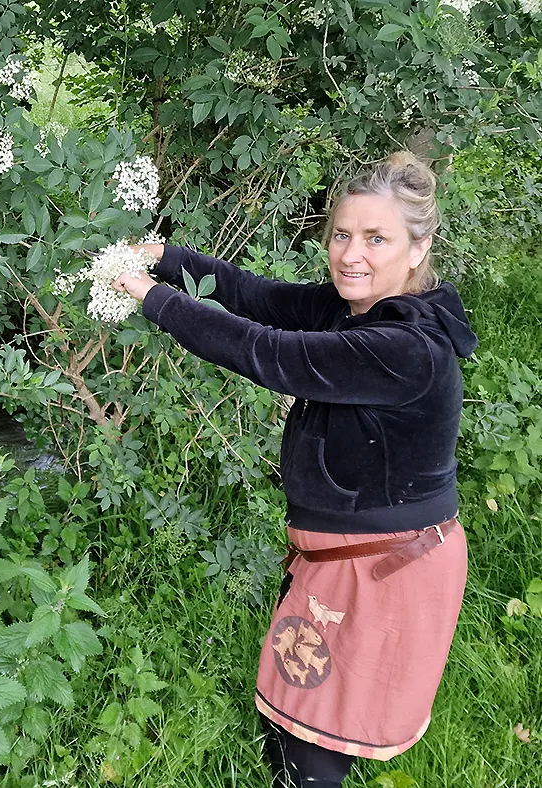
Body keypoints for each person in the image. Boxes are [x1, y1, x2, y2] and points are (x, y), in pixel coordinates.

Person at [112, 152, 478, 788]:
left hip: (384, 569)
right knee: (292, 714)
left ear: (417, 249)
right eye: (342, 234)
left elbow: (268, 354)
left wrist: (155, 300)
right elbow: (262, 298)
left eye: (376, 238)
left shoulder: (405, 349)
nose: (351, 254)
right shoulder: (356, 307)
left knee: (316, 745)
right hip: (342, 560)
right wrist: (168, 257)